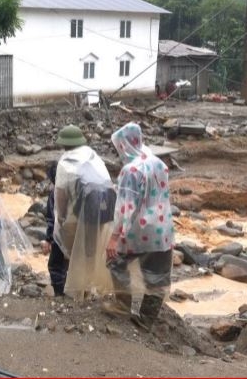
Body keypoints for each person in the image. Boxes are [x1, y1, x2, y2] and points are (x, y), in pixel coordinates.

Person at [103, 122, 175, 332]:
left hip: (139, 231)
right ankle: (146, 320)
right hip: (162, 230)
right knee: (158, 276)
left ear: (124, 145)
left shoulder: (130, 171)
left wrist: (115, 237)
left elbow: (126, 207)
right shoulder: (158, 163)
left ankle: (122, 306)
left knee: (115, 261)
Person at [53, 125, 115, 301]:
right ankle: (90, 289)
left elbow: (60, 194)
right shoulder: (94, 157)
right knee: (91, 252)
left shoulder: (65, 163)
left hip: (76, 216)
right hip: (100, 214)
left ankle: (75, 293)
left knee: (73, 255)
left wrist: (61, 217)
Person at [41, 161, 69, 297]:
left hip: (61, 234)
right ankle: (78, 293)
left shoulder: (55, 193)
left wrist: (48, 239)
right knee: (71, 263)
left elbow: (52, 218)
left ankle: (60, 295)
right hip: (77, 233)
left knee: (55, 265)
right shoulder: (74, 188)